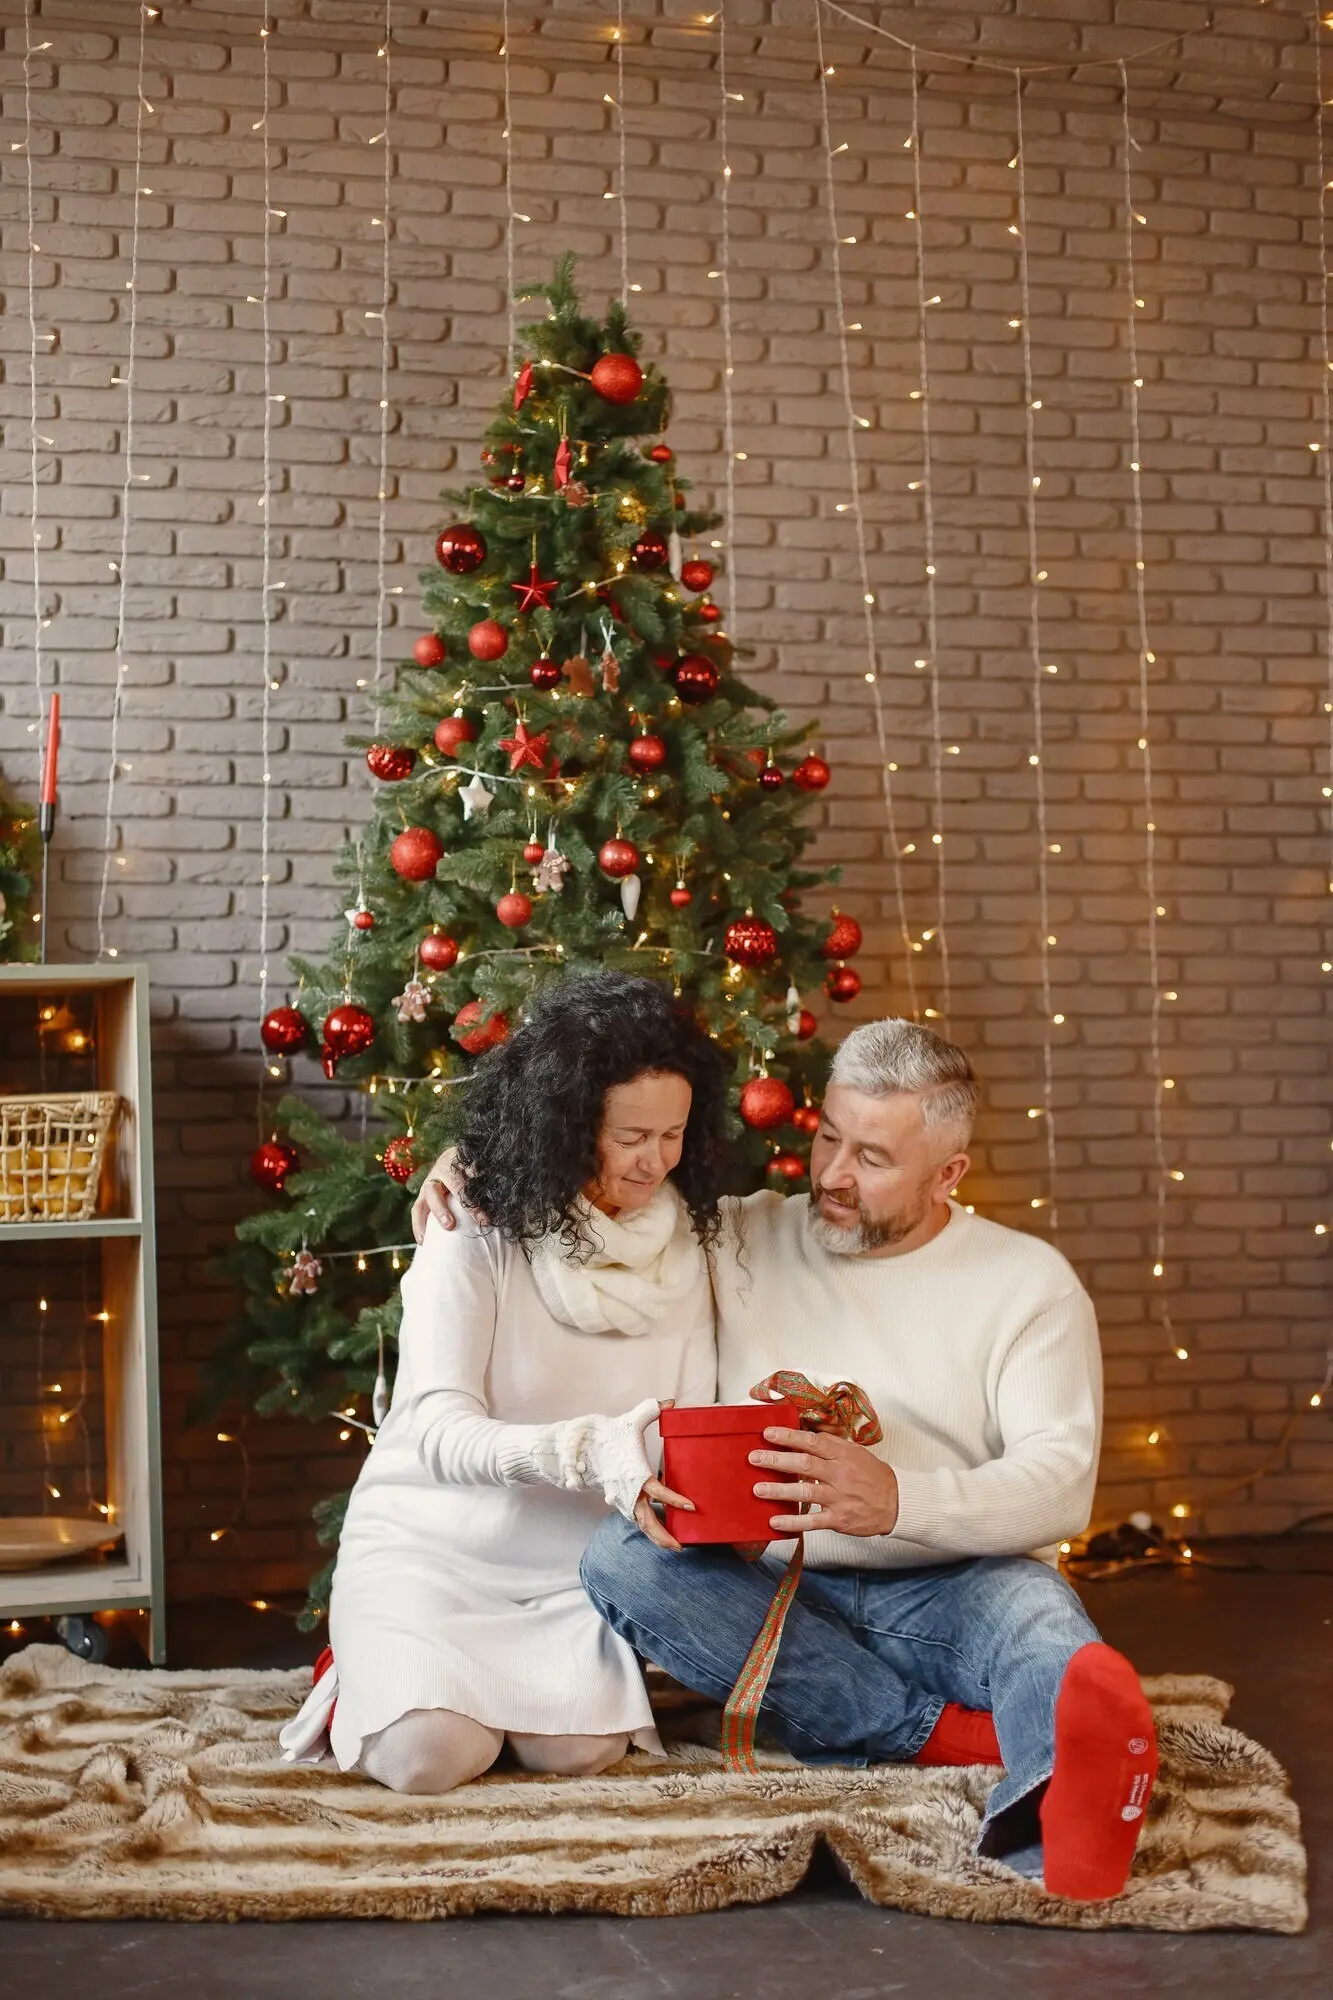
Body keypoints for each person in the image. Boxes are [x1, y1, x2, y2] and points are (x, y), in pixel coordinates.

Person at [415, 1017, 1158, 1900]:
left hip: (954, 1581)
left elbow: (1060, 1486)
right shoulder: (737, 1233)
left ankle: (1060, 1816)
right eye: (828, 1139)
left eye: (873, 1159)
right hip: (768, 1584)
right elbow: (591, 1194)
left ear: (948, 1173)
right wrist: (470, 1164)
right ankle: (926, 1730)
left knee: (1040, 1624)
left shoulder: (1027, 1283)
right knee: (621, 1560)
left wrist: (899, 1501)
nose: (834, 1177)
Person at [279, 971, 724, 1792]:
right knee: (429, 1759)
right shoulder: (471, 1228)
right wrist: (588, 1451)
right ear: (564, 1121)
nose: (654, 1161)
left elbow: (688, 1417)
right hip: (434, 1552)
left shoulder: (693, 1245)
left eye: (672, 1135)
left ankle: (466, 1688)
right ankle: (358, 1668)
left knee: (576, 1755)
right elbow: (435, 1434)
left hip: (572, 1572)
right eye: (629, 1136)